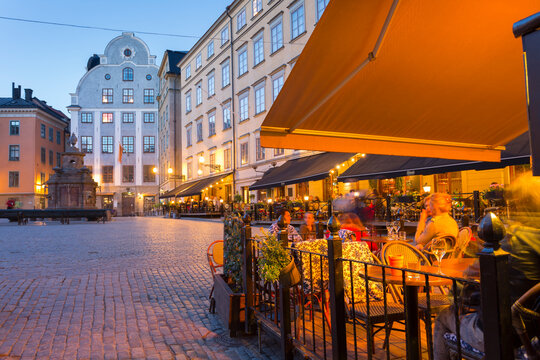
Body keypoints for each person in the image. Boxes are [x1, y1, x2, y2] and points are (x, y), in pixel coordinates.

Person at [433, 174, 540, 359]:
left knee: (444, 315)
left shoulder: (513, 239)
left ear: (520, 204)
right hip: (536, 332)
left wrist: (457, 294)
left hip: (505, 333)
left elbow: (468, 277)